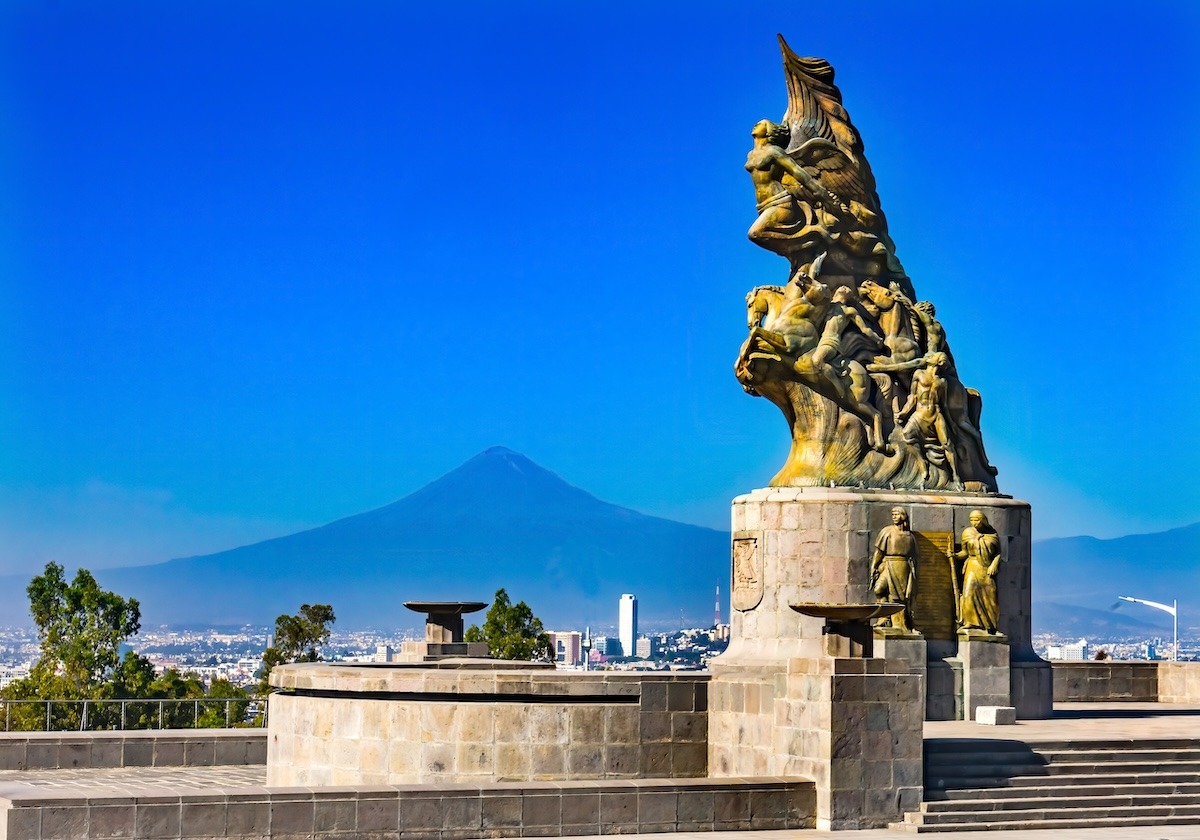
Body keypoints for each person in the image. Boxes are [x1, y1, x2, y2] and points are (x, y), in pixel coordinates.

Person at [950, 510, 1003, 635]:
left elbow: (998, 553)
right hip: (972, 566)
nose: (974, 523)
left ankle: (990, 626)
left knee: (990, 596)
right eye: (972, 520)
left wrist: (994, 564)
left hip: (986, 568)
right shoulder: (967, 533)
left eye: (977, 520)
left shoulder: (992, 534)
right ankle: (970, 623)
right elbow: (965, 552)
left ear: (983, 520)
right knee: (969, 593)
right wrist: (955, 555)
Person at [871, 507, 917, 632]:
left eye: (896, 514)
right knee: (879, 589)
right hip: (888, 564)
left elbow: (914, 556)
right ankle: (884, 617)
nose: (894, 517)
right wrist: (874, 566)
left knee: (898, 596)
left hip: (902, 567)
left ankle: (900, 623)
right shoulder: (887, 532)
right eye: (893, 514)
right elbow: (879, 552)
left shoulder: (910, 536)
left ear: (903, 516)